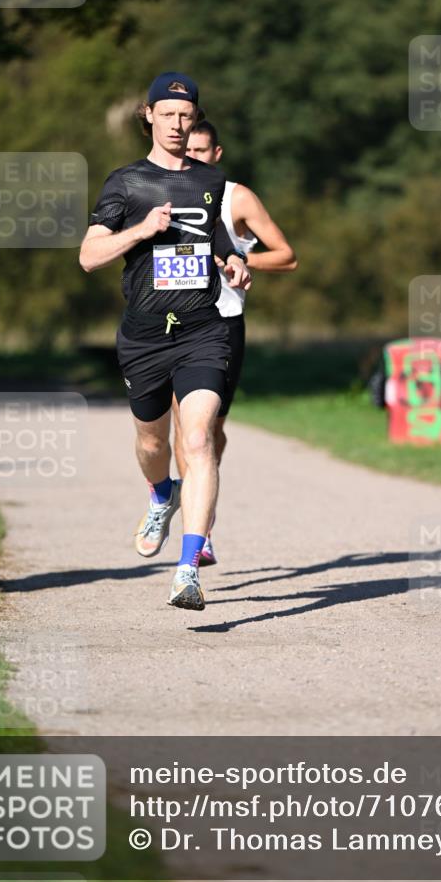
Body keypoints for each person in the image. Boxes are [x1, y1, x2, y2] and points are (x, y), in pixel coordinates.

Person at [79, 72, 250, 611]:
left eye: (187, 115)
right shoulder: (125, 184)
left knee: (197, 441)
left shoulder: (213, 182)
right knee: (153, 445)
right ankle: (160, 494)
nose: (179, 124)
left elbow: (222, 242)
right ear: (149, 116)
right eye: (168, 114)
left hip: (204, 330)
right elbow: (89, 256)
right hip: (145, 337)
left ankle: (188, 569)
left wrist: (236, 263)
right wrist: (140, 231)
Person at [172, 120, 297, 565]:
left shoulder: (236, 197)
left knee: (208, 432)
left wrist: (241, 258)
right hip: (174, 322)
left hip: (223, 323)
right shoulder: (160, 189)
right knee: (184, 433)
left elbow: (287, 255)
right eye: (188, 151)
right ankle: (196, 529)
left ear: (217, 154)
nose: (194, 159)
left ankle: (202, 509)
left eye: (203, 152)